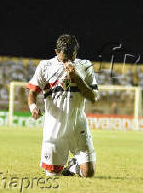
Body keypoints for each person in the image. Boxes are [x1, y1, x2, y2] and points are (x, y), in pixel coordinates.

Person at [26, 34, 99, 178]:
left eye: (71, 58)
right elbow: (32, 92)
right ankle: (68, 167)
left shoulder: (85, 66)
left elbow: (93, 97)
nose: (68, 62)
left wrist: (76, 78)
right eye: (64, 59)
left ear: (76, 53)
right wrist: (33, 107)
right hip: (54, 130)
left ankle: (73, 167)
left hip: (78, 126)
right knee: (53, 174)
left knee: (89, 173)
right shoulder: (45, 66)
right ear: (56, 52)